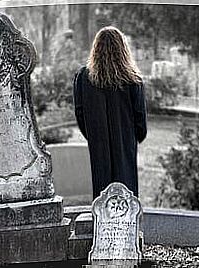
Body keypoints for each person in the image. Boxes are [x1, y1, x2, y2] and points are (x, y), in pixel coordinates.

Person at [73, 26, 147, 199]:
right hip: (125, 140)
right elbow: (140, 115)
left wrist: (93, 134)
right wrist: (135, 136)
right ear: (123, 49)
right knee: (126, 190)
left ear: (96, 49)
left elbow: (80, 113)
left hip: (98, 142)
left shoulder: (83, 77)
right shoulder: (132, 79)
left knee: (102, 191)